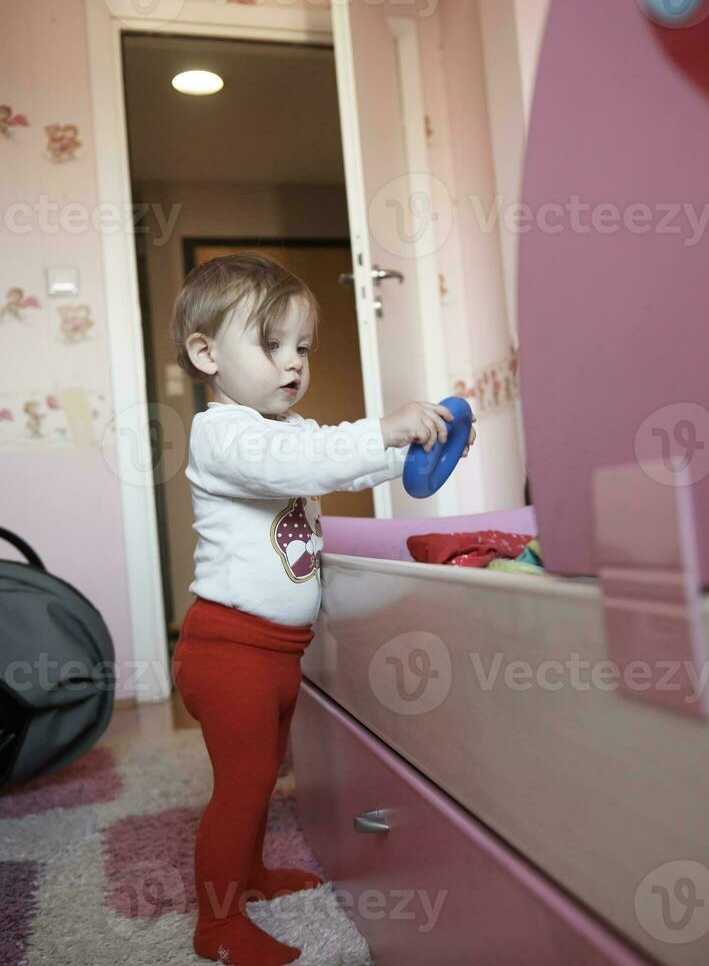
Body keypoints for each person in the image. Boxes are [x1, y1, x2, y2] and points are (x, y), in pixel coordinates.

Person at [168, 253, 474, 964]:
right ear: (206, 352)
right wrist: (382, 428)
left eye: (301, 347)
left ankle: (251, 875)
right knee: (240, 789)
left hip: (277, 653)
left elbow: (346, 463)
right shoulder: (223, 434)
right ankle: (215, 926)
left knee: (264, 774)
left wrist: (422, 448)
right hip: (227, 652)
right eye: (270, 344)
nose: (292, 363)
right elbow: (302, 467)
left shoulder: (294, 431)